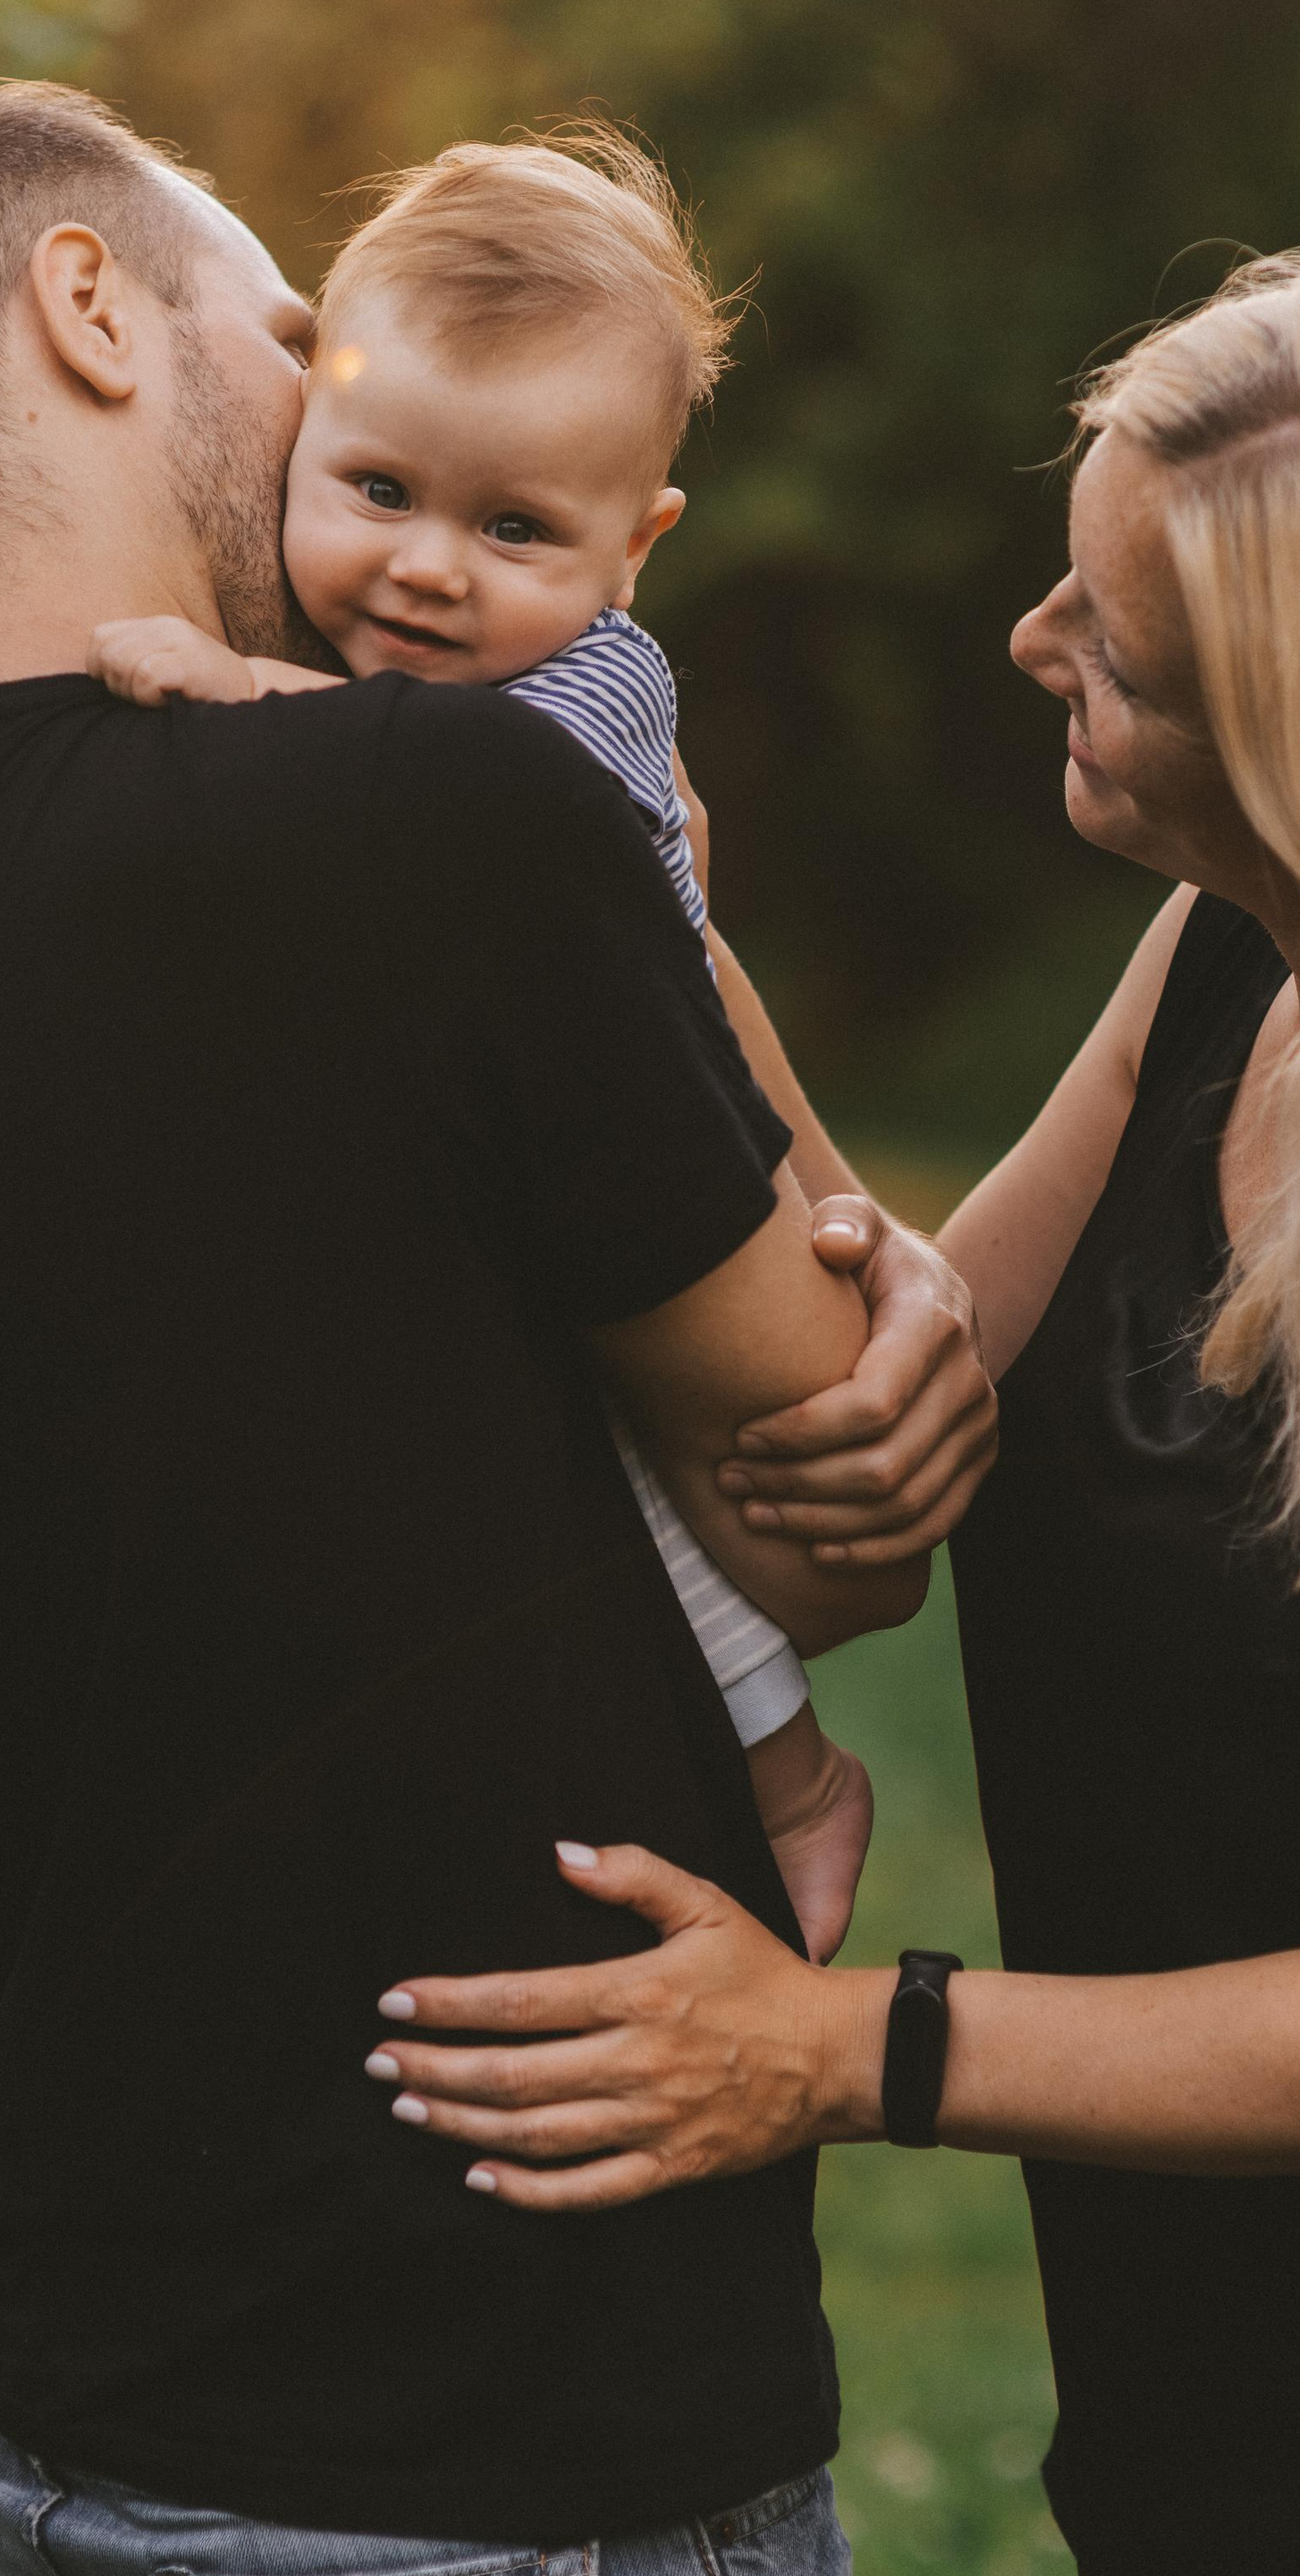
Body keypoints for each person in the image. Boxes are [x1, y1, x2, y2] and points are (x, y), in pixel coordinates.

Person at [0, 78, 998, 2576]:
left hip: (64, 2434)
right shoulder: (438, 818)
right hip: (503, 2474)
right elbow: (839, 1493)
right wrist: (821, 1145)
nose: (331, 403)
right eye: (290, 327)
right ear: (78, 303)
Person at [367, 248, 1300, 2576]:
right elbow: (874, 1367)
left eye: (1112, 642)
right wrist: (614, 909)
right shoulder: (1253, 948)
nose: (1028, 645)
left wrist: (845, 2048)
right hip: (1215, 2501)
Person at [89, 124, 874, 1953]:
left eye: (514, 530)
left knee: (638, 1491)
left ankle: (783, 1776)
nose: (429, 570)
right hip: (482, 1139)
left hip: (641, 1153)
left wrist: (244, 694)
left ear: (633, 548)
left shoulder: (590, 691)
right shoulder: (402, 643)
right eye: (374, 491)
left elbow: (471, 809)